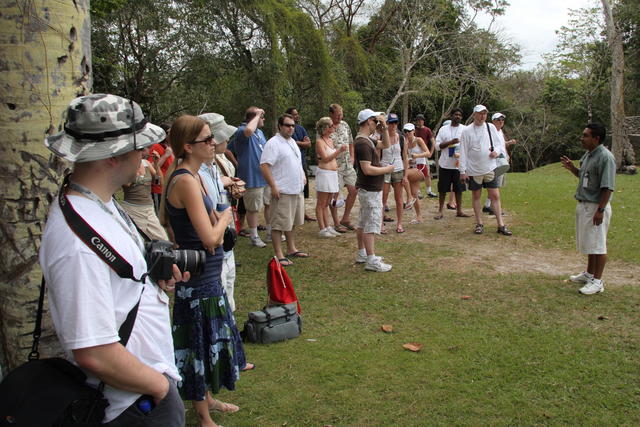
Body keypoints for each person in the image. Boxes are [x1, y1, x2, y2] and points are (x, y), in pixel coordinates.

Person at [40, 94, 186, 426]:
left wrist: (149, 280)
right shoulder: (75, 242)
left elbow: (114, 276)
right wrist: (159, 388)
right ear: (113, 155)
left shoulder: (98, 203)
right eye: (140, 147)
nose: (146, 154)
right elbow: (93, 352)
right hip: (131, 404)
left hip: (140, 393)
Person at [162, 115, 250, 427]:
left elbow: (210, 224)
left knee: (211, 338)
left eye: (212, 137)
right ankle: (202, 416)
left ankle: (208, 399)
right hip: (196, 280)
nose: (214, 144)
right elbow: (210, 236)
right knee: (199, 343)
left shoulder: (197, 176)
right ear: (188, 146)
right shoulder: (185, 180)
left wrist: (218, 218)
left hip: (208, 274)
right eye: (207, 139)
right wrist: (226, 216)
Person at [198, 113, 245, 311]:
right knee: (220, 287)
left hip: (225, 240)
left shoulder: (215, 164)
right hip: (214, 242)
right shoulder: (197, 172)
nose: (227, 139)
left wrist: (229, 186)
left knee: (229, 283)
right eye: (221, 136)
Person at [560, 123, 615, 295]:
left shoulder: (606, 157)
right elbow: (584, 176)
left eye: (585, 135)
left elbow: (608, 187)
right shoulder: (588, 154)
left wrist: (600, 210)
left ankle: (597, 282)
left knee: (598, 245)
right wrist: (572, 169)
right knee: (590, 243)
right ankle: (589, 274)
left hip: (596, 206)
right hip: (584, 204)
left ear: (596, 138)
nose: (581, 138)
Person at [260, 113, 309, 266]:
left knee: (292, 222)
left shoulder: (293, 142)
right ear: (280, 126)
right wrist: (274, 186)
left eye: (293, 125)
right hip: (282, 190)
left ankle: (291, 248)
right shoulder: (273, 143)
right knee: (279, 224)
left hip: (296, 189)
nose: (290, 128)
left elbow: (296, 162)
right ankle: (278, 254)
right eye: (287, 125)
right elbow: (264, 165)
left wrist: (302, 175)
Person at [459, 105, 512, 236]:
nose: (482, 116)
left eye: (484, 113)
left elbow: (499, 144)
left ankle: (501, 224)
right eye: (480, 113)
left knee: (495, 195)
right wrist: (462, 170)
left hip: (490, 167)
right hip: (474, 169)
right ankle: (479, 223)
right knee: (476, 195)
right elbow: (463, 151)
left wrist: (497, 152)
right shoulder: (467, 131)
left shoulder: (490, 127)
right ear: (474, 115)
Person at [353, 109, 395, 272]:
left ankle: (362, 253)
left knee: (363, 222)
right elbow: (367, 169)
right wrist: (387, 169)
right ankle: (371, 260)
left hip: (368, 188)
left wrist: (384, 127)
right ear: (368, 121)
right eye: (375, 121)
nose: (377, 124)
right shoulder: (363, 143)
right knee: (371, 223)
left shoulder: (366, 140)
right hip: (370, 189)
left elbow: (386, 144)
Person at [229, 106, 270, 247]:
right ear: (254, 118)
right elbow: (248, 131)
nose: (263, 119)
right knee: (252, 208)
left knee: (268, 204)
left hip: (264, 176)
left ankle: (270, 232)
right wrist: (257, 114)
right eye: (261, 117)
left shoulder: (260, 132)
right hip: (251, 177)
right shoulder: (241, 130)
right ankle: (254, 236)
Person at [434, 108, 471, 220]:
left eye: (460, 115)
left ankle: (459, 210)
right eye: (456, 114)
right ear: (451, 116)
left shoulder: (465, 129)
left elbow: (469, 146)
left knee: (459, 189)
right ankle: (440, 211)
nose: (458, 116)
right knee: (442, 189)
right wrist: (450, 142)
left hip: (459, 165)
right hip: (445, 164)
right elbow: (437, 146)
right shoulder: (444, 129)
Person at [121, 157, 169, 241]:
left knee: (164, 240)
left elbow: (159, 181)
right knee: (136, 241)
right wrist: (135, 169)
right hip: (133, 209)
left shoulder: (146, 163)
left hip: (148, 209)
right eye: (142, 149)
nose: (147, 150)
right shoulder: (126, 165)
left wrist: (156, 164)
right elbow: (126, 184)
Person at [315, 116, 347, 237]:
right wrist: (339, 150)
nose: (333, 127)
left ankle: (328, 226)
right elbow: (325, 158)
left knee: (328, 201)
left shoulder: (330, 140)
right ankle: (322, 228)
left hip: (332, 173)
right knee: (321, 203)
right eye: (330, 126)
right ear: (325, 128)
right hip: (324, 174)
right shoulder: (319, 142)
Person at [328, 103, 358, 231]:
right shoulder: (326, 126)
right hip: (334, 166)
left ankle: (345, 218)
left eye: (341, 114)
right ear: (331, 114)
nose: (340, 117)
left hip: (347, 165)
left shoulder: (345, 125)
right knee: (334, 195)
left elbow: (351, 142)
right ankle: (336, 223)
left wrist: (352, 157)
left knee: (354, 190)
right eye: (337, 115)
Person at [380, 113, 410, 233]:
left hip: (398, 168)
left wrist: (406, 175)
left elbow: (405, 157)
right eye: (391, 122)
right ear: (386, 124)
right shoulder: (381, 137)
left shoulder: (402, 138)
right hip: (385, 168)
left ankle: (400, 224)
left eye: (395, 123)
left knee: (399, 199)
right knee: (383, 198)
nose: (393, 125)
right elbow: (378, 156)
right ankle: (381, 223)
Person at [482, 112, 517, 215]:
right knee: (494, 185)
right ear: (493, 121)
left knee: (497, 185)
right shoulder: (489, 132)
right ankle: (493, 207)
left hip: (501, 161)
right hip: (494, 162)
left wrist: (508, 145)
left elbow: (501, 145)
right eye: (498, 120)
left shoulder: (500, 131)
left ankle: (488, 205)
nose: (501, 122)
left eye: (502, 120)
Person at [285, 107, 316, 222]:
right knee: (292, 188)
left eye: (297, 114)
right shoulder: (287, 130)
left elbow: (308, 144)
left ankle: (302, 212)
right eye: (294, 114)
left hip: (301, 162)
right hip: (290, 165)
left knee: (303, 188)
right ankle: (292, 213)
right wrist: (301, 143)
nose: (297, 116)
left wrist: (298, 142)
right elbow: (289, 141)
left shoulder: (301, 129)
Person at [403, 123, 430, 223]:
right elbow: (405, 157)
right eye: (405, 131)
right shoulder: (405, 142)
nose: (407, 133)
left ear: (414, 131)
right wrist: (409, 160)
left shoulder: (418, 140)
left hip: (421, 168)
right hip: (412, 168)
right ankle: (419, 217)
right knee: (415, 194)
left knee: (404, 175)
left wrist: (417, 156)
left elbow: (428, 153)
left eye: (409, 131)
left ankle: (408, 198)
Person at [148, 123, 174, 213]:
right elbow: (151, 166)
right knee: (159, 213)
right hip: (158, 188)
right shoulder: (156, 147)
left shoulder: (170, 148)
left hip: (168, 187)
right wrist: (165, 156)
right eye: (169, 132)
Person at [413, 113, 437, 198]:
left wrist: (431, 152)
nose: (419, 122)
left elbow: (432, 141)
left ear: (423, 121)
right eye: (418, 120)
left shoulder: (427, 130)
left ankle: (429, 191)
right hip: (415, 153)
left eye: (421, 120)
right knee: (416, 173)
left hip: (423, 153)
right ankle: (418, 192)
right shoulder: (414, 130)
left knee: (427, 173)